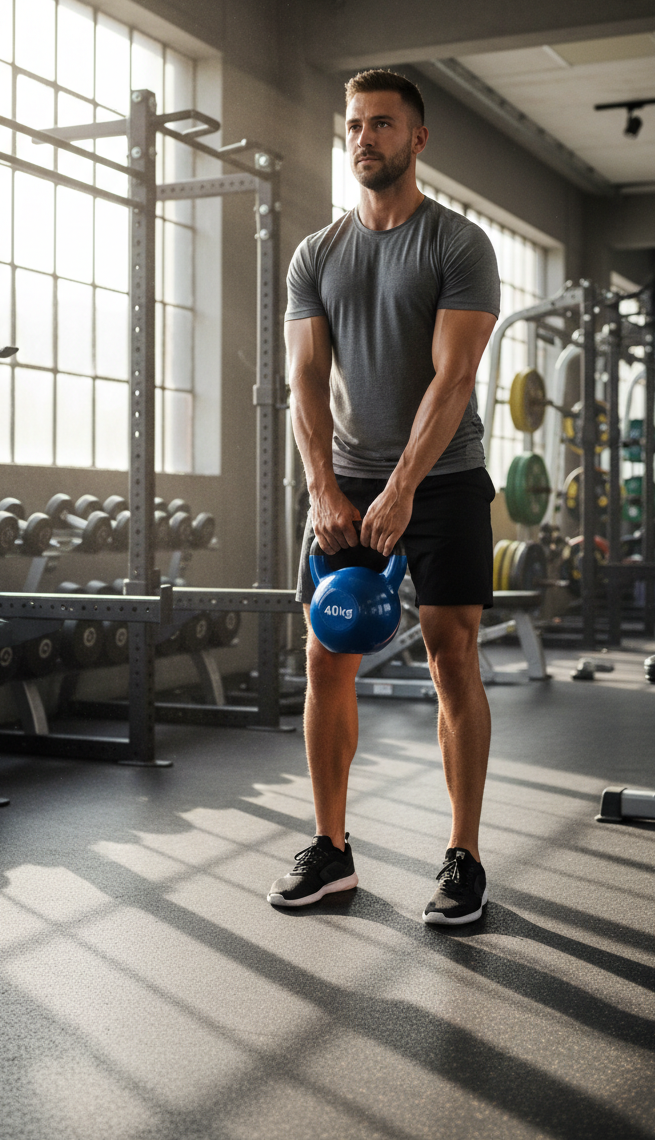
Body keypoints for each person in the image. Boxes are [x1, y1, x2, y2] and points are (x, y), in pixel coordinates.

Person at [268, 69, 500, 924]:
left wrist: (403, 487)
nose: (365, 137)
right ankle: (330, 849)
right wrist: (322, 488)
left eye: (384, 124)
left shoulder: (457, 244)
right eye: (356, 125)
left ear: (417, 140)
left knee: (452, 653)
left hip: (440, 476)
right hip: (347, 480)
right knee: (326, 656)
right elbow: (303, 382)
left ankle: (463, 856)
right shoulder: (316, 254)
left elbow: (456, 375)